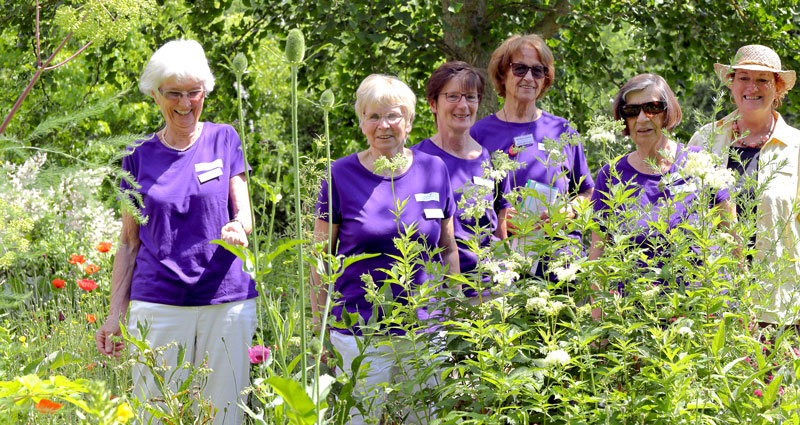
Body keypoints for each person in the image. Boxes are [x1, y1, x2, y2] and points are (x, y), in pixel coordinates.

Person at [94, 39, 257, 425]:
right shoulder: (136, 154)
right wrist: (116, 312)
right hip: (159, 302)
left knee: (225, 412)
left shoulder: (225, 138)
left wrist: (238, 226)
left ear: (205, 92)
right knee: (155, 413)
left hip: (226, 299)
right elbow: (129, 242)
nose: (185, 104)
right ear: (155, 95)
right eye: (174, 94)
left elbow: (245, 213)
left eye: (194, 93)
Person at [311, 74, 459, 423]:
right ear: (361, 122)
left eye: (393, 116)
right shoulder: (339, 175)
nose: (383, 126)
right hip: (360, 336)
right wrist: (320, 331)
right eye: (373, 116)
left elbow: (448, 248)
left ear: (409, 121)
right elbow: (321, 260)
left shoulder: (433, 170)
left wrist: (453, 314)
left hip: (423, 332)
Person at [689, 45, 800, 325]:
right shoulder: (704, 140)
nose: (753, 86)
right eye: (743, 77)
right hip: (713, 300)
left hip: (777, 306)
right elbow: (685, 216)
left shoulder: (796, 147)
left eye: (763, 79)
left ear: (777, 88)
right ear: (731, 84)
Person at [589, 74, 733, 285]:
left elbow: (733, 238)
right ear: (623, 119)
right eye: (631, 111)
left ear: (668, 113)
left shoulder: (702, 164)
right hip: (634, 312)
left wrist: (742, 305)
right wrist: (597, 315)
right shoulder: (610, 176)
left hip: (702, 308)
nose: (642, 118)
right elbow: (597, 257)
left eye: (653, 107)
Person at [470, 34, 594, 277]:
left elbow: (587, 190)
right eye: (520, 69)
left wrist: (568, 211)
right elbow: (467, 197)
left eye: (538, 71)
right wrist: (499, 216)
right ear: (502, 73)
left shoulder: (563, 130)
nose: (528, 77)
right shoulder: (479, 133)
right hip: (503, 261)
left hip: (561, 259)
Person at [411, 61, 511, 298]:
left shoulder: (493, 161)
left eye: (471, 97)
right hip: (433, 297)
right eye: (453, 96)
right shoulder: (415, 161)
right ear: (433, 103)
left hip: (485, 291)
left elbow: (500, 231)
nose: (463, 105)